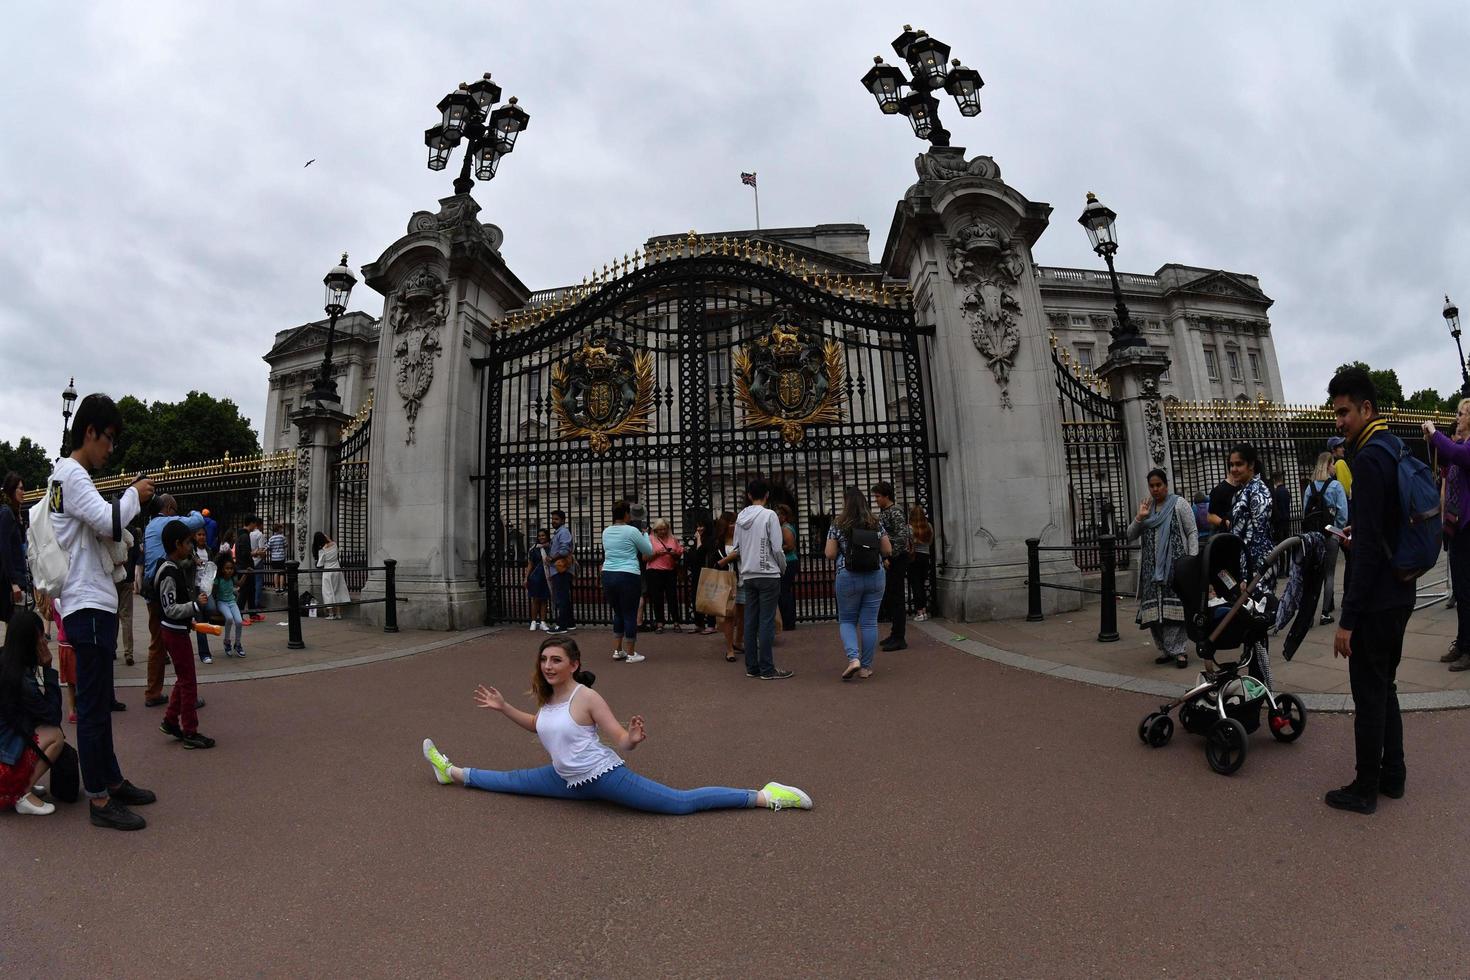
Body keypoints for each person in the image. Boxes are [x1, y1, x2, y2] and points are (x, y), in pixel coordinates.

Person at [420, 636, 811, 815]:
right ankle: (448, 770)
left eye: (556, 660)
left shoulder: (586, 698)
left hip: (602, 777)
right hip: (564, 778)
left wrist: (633, 739)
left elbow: (620, 740)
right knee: (509, 782)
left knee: (677, 803)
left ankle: (764, 795)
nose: (548, 666)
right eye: (544, 660)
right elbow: (537, 726)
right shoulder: (550, 699)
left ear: (574, 664)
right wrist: (504, 707)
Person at [48, 393, 158, 830]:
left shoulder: (64, 477)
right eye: (108, 438)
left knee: (98, 703)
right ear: (89, 432)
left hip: (87, 602)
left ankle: (110, 781)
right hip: (87, 603)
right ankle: (99, 800)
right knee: (93, 708)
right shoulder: (73, 475)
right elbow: (112, 523)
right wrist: (133, 494)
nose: (110, 448)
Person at [1326, 367, 1414, 814]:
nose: (1338, 421)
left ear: (1366, 408)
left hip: (1377, 599)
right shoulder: (1393, 446)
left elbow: (1367, 557)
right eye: (1336, 412)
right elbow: (1383, 528)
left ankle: (1365, 787)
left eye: (1344, 412)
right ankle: (1393, 776)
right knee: (1387, 686)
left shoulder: (1366, 459)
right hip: (1401, 590)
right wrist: (1358, 531)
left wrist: (1347, 620)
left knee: (1368, 693)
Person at [1126, 468, 1199, 669]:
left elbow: (1192, 531)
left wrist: (1192, 560)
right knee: (1155, 612)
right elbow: (1130, 535)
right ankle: (1166, 650)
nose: (1156, 489)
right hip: (1151, 571)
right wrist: (1139, 518)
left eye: (1159, 485)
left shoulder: (1179, 504)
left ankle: (1180, 650)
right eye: (1152, 486)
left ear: (1166, 485)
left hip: (1175, 567)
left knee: (1175, 610)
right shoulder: (1146, 509)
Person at [154, 520, 215, 750]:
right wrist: (194, 606)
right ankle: (190, 731)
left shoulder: (172, 566)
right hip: (173, 632)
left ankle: (171, 721)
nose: (191, 546)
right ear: (177, 544)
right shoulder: (169, 571)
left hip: (175, 629)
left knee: (183, 678)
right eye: (188, 542)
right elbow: (170, 608)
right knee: (189, 681)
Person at [0, 610, 67, 815]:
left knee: (41, 728)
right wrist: (48, 669)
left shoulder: (5, 657)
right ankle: (21, 791)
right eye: (41, 636)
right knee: (55, 735)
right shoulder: (21, 677)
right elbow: (53, 716)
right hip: (3, 757)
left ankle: (22, 779)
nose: (45, 641)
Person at [141, 495, 204, 707]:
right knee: (179, 644)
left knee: (157, 644)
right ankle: (187, 694)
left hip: (152, 587)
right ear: (169, 508)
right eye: (175, 510)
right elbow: (198, 521)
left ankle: (153, 691)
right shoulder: (168, 522)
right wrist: (192, 513)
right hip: (167, 587)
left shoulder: (150, 526)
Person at [826, 487, 892, 680]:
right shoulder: (875, 522)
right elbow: (887, 549)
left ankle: (853, 658)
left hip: (847, 575)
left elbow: (829, 554)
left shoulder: (837, 524)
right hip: (875, 574)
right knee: (869, 622)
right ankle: (866, 667)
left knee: (847, 620)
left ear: (845, 504)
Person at [1425, 400, 1470, 671]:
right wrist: (1431, 439)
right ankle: (1463, 642)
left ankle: (1468, 648)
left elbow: (1453, 453)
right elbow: (1444, 455)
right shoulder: (1461, 447)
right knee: (1462, 590)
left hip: (1468, 528)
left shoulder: (1467, 449)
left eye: (1461, 414)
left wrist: (1434, 432)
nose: (1457, 418)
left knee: (1467, 591)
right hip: (1458, 527)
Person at [1228, 443, 1277, 687]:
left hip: (1257, 567)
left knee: (1257, 624)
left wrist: (1251, 574)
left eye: (1238, 464)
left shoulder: (1258, 491)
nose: (1234, 469)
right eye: (1232, 465)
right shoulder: (1242, 490)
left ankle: (1260, 681)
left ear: (1251, 465)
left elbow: (1258, 535)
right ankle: (1256, 679)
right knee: (1250, 625)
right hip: (1244, 566)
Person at [734, 478, 791, 680]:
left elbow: (737, 547)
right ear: (767, 495)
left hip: (748, 574)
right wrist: (782, 567)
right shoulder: (769, 515)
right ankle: (767, 668)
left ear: (749, 495)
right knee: (766, 622)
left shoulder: (741, 517)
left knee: (750, 621)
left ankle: (752, 667)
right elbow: (777, 547)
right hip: (768, 573)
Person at [601, 501, 652, 663]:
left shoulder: (606, 531)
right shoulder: (632, 531)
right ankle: (631, 653)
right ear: (625, 514)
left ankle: (618, 650)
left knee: (618, 613)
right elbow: (648, 551)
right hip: (628, 574)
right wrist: (644, 533)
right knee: (630, 613)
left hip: (608, 573)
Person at [1303, 452, 1350, 626]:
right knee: (1329, 574)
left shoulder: (1310, 487)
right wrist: (1336, 531)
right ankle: (1324, 613)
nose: (1334, 467)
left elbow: (1304, 513)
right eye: (1333, 464)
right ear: (1328, 465)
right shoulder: (1336, 486)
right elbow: (1343, 515)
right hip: (1330, 535)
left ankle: (1308, 615)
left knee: (1314, 575)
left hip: (1313, 537)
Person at [872, 482, 913, 652]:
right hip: (889, 558)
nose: (876, 500)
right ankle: (895, 632)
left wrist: (889, 555)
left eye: (878, 496)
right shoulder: (886, 512)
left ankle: (899, 637)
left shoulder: (895, 511)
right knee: (891, 596)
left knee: (896, 598)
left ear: (886, 496)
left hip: (896, 558)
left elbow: (901, 537)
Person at [713, 511, 744, 660]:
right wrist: (728, 559)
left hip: (743, 579)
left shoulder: (742, 538)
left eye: (735, 522)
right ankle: (729, 648)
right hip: (726, 581)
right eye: (731, 523)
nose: (734, 526)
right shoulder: (718, 542)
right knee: (729, 616)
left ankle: (739, 641)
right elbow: (714, 563)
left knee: (743, 614)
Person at [644, 518, 684, 634]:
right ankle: (659, 623)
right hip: (654, 572)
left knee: (672, 597)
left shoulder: (673, 539)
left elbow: (678, 555)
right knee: (657, 598)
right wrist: (656, 553)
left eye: (664, 529)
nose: (662, 532)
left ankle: (676, 622)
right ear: (655, 530)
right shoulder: (650, 539)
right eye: (660, 529)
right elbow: (645, 558)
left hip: (670, 571)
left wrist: (674, 554)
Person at [0, 473, 27, 623]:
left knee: (16, 625)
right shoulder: (6, 513)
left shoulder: (13, 513)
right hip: (13, 581)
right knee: (15, 625)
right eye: (20, 489)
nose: (23, 492)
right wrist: (13, 583)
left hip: (18, 577)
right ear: (12, 490)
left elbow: (21, 541)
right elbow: (4, 549)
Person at [546, 509, 576, 636]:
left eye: (556, 519)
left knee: (561, 597)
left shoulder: (563, 532)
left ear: (563, 520)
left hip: (561, 569)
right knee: (565, 597)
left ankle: (562, 625)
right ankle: (570, 623)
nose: (553, 521)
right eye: (552, 519)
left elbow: (564, 550)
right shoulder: (559, 533)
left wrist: (552, 558)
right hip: (560, 570)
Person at [688, 517, 718, 636]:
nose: (699, 529)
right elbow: (692, 556)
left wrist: (699, 539)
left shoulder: (710, 540)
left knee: (708, 598)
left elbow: (700, 553)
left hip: (707, 572)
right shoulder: (697, 540)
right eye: (697, 526)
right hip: (696, 573)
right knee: (696, 598)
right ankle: (699, 623)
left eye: (701, 526)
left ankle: (711, 625)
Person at [191, 527, 215, 665]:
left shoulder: (209, 550)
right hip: (195, 588)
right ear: (194, 536)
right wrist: (194, 560)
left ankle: (201, 619)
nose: (202, 537)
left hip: (207, 588)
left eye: (204, 534)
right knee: (200, 622)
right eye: (199, 534)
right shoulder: (191, 551)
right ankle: (204, 653)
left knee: (211, 608)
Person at [213, 555, 245, 658]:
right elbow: (213, 591)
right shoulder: (218, 579)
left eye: (231, 568)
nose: (229, 571)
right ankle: (227, 641)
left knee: (239, 621)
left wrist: (246, 574)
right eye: (227, 568)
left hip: (232, 602)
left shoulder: (232, 578)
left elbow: (239, 583)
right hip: (221, 602)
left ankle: (238, 644)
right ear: (222, 569)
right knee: (229, 618)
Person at [313, 531, 349, 620]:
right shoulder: (334, 545)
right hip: (337, 569)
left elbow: (319, 564)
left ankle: (331, 614)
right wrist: (327, 538)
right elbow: (331, 542)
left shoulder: (322, 550)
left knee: (328, 592)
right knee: (338, 591)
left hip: (328, 571)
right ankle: (338, 613)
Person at [907, 504, 934, 623]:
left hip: (914, 557)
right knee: (922, 585)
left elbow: (907, 543)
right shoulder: (929, 526)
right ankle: (924, 610)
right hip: (925, 557)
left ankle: (920, 612)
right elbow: (931, 541)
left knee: (915, 585)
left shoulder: (909, 528)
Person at [525, 528, 552, 632]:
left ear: (547, 536)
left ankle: (543, 622)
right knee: (536, 600)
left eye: (543, 535)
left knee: (544, 600)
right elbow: (530, 564)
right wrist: (526, 577)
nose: (541, 537)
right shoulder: (534, 549)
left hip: (546, 577)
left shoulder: (550, 548)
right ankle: (533, 621)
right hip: (536, 577)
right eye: (539, 535)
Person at [1328, 435, 1353, 499]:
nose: (1343, 449)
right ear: (1333, 449)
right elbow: (1347, 491)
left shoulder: (1328, 467)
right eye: (1340, 447)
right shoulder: (1340, 463)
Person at [266, 523, 288, 593]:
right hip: (281, 558)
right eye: (281, 528)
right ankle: (281, 588)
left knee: (275, 572)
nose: (282, 529)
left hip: (274, 558)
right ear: (278, 529)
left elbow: (268, 547)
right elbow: (286, 545)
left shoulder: (271, 538)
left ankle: (276, 588)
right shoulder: (282, 537)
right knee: (281, 573)